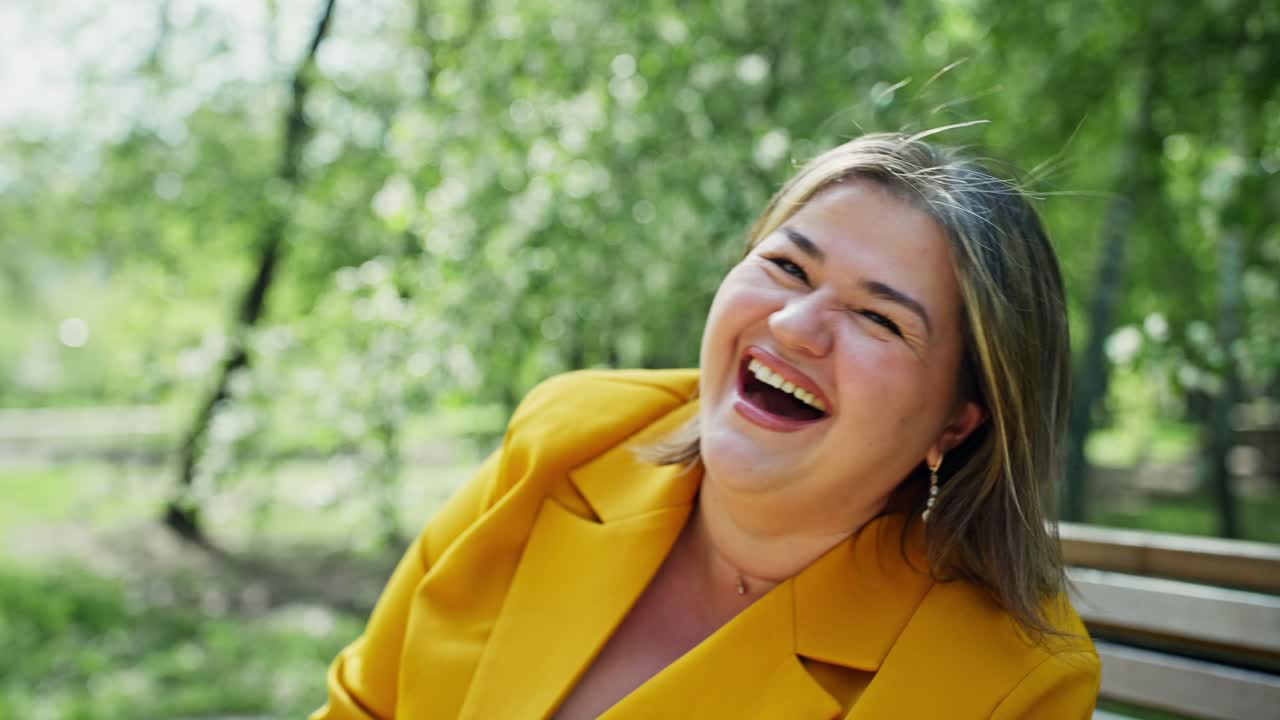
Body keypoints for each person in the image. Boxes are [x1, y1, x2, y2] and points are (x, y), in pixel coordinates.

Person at [311, 132, 1100, 719]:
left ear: (958, 422)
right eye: (787, 267)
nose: (795, 325)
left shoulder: (1008, 683)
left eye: (878, 318)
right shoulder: (567, 436)